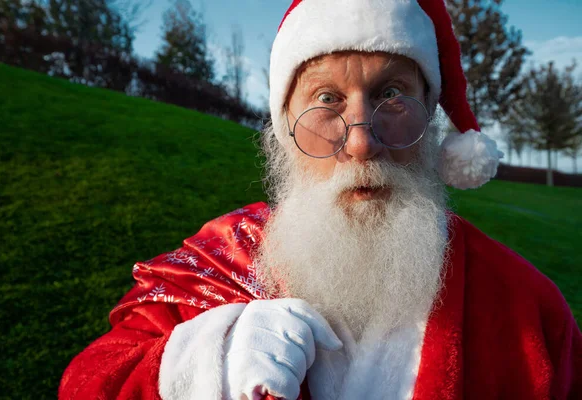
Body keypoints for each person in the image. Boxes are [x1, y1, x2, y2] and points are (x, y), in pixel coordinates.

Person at [59, 0, 581, 399]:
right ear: (285, 127)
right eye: (326, 99)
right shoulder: (219, 260)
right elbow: (89, 382)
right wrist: (204, 361)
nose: (361, 143)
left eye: (391, 95)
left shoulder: (527, 307)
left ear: (430, 114)